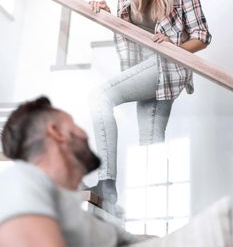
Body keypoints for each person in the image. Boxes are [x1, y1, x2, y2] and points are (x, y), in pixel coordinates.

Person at [88, 0, 212, 204]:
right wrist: (106, 12)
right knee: (150, 144)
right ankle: (151, 210)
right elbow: (125, 33)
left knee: (99, 96)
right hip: (139, 68)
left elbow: (202, 36)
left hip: (166, 67)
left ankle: (107, 182)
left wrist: (174, 46)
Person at [0, 97, 232, 247]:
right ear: (57, 132)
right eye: (74, 124)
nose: (85, 134)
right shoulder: (20, 178)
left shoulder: (79, 217)